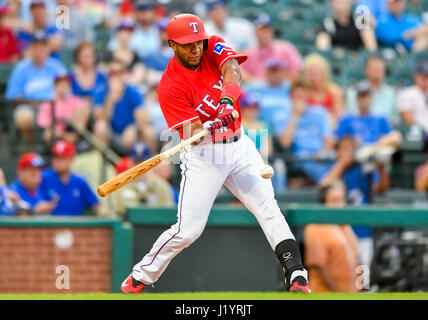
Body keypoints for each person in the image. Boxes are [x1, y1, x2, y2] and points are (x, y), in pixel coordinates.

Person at [120, 13, 311, 294]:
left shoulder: (211, 45)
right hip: (205, 156)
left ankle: (296, 273)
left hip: (239, 145)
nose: (196, 48)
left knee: (267, 206)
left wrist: (224, 103)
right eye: (188, 45)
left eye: (198, 42)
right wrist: (206, 127)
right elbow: (191, 132)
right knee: (189, 230)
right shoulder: (169, 86)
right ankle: (140, 275)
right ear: (172, 45)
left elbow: (233, 70)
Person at [319, 135, 390, 268]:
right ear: (337, 151)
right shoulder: (335, 168)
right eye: (344, 149)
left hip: (362, 230)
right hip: (338, 230)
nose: (347, 153)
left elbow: (382, 188)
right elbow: (324, 186)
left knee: (362, 275)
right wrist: (342, 163)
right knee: (340, 270)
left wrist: (381, 169)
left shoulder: (363, 169)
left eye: (350, 150)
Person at [304, 180, 360, 292]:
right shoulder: (315, 227)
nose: (339, 205)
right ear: (324, 202)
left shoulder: (346, 226)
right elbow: (319, 266)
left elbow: (356, 260)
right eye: (334, 200)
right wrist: (338, 294)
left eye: (341, 200)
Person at [277, 81, 335, 185]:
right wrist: (295, 115)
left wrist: (323, 152)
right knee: (312, 165)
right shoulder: (282, 116)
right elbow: (285, 143)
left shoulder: (319, 112)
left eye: (303, 96)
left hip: (321, 156)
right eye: (297, 97)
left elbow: (328, 140)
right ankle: (328, 184)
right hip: (301, 158)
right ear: (291, 98)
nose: (300, 100)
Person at [93, 59, 147, 153]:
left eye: (119, 72)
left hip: (128, 132)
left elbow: (143, 119)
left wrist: (134, 127)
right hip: (110, 132)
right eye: (113, 73)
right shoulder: (101, 91)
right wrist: (110, 100)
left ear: (124, 74)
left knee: (147, 131)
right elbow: (100, 118)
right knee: (100, 126)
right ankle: (100, 163)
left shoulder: (132, 91)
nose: (116, 76)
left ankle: (155, 165)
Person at [336, 81, 403, 150]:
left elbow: (396, 137)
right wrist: (350, 140)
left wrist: (377, 146)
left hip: (376, 154)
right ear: (357, 99)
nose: (364, 100)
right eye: (361, 97)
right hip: (354, 155)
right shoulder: (347, 119)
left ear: (371, 98)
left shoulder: (381, 119)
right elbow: (335, 139)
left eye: (366, 97)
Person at [114, 141, 176, 216]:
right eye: (136, 162)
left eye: (143, 162)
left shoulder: (161, 185)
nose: (140, 166)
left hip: (155, 225)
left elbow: (168, 212)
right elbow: (112, 212)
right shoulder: (120, 184)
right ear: (130, 163)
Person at [40, 140, 99, 216]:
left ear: (71, 159)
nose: (58, 161)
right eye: (56, 157)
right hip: (49, 225)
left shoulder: (80, 181)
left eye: (62, 158)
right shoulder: (42, 177)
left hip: (75, 225)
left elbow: (96, 206)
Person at [241, 13, 303, 83]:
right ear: (255, 32)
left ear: (272, 31)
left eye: (267, 30)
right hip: (256, 91)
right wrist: (261, 83)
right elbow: (239, 73)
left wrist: (281, 84)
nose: (264, 33)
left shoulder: (285, 48)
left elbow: (297, 70)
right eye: (261, 30)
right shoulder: (248, 52)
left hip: (283, 91)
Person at [6, 31, 66, 101]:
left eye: (43, 47)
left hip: (53, 106)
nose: (40, 50)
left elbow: (67, 91)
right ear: (31, 49)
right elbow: (12, 95)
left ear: (48, 49)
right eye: (37, 47)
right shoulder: (21, 68)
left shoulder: (57, 67)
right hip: (29, 106)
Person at [37, 72, 91, 146]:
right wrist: (65, 135)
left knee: (83, 109)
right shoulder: (48, 104)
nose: (64, 86)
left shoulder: (73, 100)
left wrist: (74, 118)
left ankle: (78, 140)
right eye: (61, 84)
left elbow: (86, 106)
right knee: (49, 133)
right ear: (55, 86)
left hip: (72, 130)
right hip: (57, 135)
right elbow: (45, 125)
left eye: (66, 84)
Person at [243, 58, 291, 136]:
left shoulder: (288, 88)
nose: (274, 74)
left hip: (285, 133)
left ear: (283, 73)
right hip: (261, 132)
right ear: (267, 72)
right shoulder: (254, 87)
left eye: (276, 71)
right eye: (271, 71)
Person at [345, 56, 398, 125]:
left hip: (384, 131)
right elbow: (351, 114)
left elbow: (395, 118)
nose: (376, 72)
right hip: (359, 129)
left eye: (379, 69)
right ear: (365, 70)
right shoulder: (354, 90)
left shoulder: (391, 93)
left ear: (384, 71)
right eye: (374, 69)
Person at [102, 19, 146, 86]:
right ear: (118, 33)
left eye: (129, 32)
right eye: (124, 31)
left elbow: (139, 76)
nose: (126, 35)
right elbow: (102, 71)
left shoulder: (135, 55)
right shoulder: (109, 53)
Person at [304, 53, 344, 128]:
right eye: (312, 73)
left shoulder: (334, 91)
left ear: (326, 73)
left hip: (330, 127)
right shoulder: (304, 92)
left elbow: (340, 115)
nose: (316, 76)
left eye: (319, 72)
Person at [70, 42, 109, 109]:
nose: (88, 60)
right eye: (85, 56)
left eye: (91, 56)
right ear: (78, 58)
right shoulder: (71, 77)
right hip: (76, 111)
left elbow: (106, 97)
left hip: (97, 111)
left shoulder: (102, 77)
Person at [397, 60, 428, 133]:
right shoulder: (407, 93)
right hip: (420, 134)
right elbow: (408, 118)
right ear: (416, 76)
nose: (426, 79)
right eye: (424, 76)